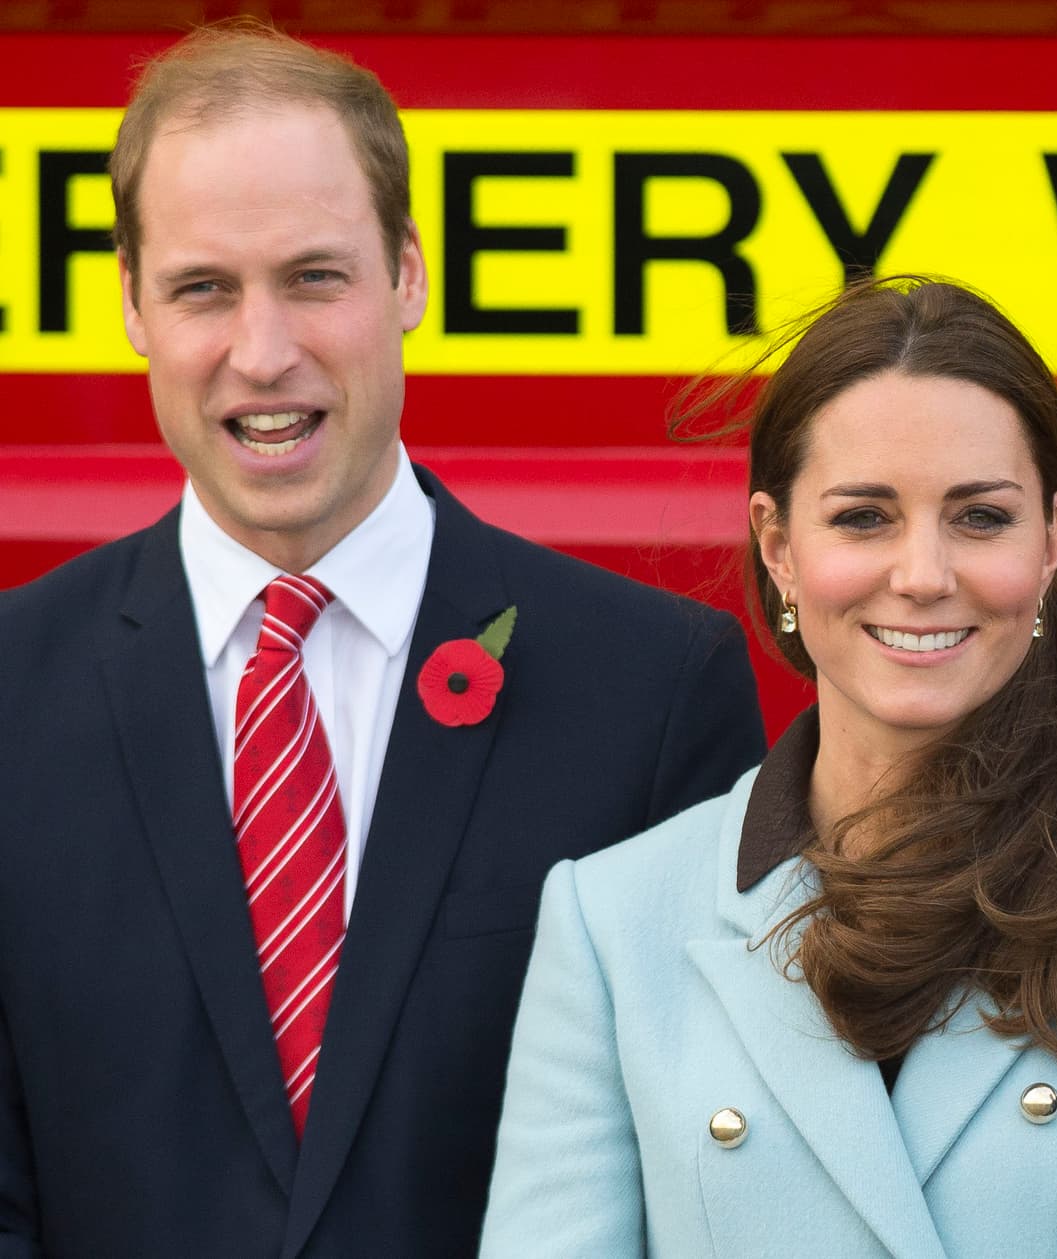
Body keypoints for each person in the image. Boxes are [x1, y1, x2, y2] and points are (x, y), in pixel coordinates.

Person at [0, 24, 765, 1259]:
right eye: (203, 287)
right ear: (133, 305)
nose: (263, 351)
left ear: (407, 275)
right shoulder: (8, 698)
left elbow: (703, 1180)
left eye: (314, 277)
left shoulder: (653, 691)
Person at [480, 276, 1057, 1258]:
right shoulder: (611, 920)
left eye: (978, 517)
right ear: (778, 547)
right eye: (862, 517)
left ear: (1050, 542)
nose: (921, 573)